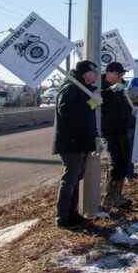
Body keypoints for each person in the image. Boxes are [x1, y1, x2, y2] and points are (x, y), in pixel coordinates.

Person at [53, 60, 99, 229]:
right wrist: (90, 102)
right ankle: (63, 216)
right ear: (86, 73)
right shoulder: (70, 88)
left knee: (76, 178)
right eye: (93, 72)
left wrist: (91, 99)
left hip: (81, 142)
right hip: (71, 143)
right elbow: (67, 112)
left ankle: (72, 213)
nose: (95, 75)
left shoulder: (82, 89)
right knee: (70, 178)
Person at [100, 62, 133, 210]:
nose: (121, 78)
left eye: (122, 75)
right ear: (110, 73)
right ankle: (109, 197)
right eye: (119, 75)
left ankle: (117, 195)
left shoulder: (121, 88)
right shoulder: (99, 86)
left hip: (122, 130)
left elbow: (125, 107)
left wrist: (132, 113)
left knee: (124, 162)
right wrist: (108, 92)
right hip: (108, 131)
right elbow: (93, 103)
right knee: (116, 162)